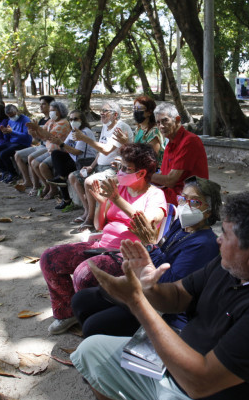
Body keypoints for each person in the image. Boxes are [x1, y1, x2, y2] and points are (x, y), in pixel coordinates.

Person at [71, 190, 249, 400]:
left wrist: (137, 302)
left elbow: (200, 383)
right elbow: (178, 296)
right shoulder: (232, 266)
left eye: (224, 233)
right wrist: (148, 284)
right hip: (173, 372)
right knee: (90, 351)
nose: (218, 239)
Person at [39, 144, 167, 335]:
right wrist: (102, 202)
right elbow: (100, 225)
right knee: (50, 258)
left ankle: (94, 323)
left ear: (141, 173)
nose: (120, 171)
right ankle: (66, 313)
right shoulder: (120, 189)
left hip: (127, 255)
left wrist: (115, 200)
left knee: (85, 274)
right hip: (101, 246)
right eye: (120, 166)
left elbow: (146, 221)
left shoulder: (155, 195)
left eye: (125, 168)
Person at [71, 176, 221, 337]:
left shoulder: (204, 244)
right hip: (148, 289)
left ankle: (105, 349)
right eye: (183, 199)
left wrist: (150, 246)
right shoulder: (182, 226)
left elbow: (169, 285)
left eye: (195, 202)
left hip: (166, 306)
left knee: (94, 326)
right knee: (81, 300)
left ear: (209, 211)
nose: (186, 205)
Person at [70, 101, 134, 231]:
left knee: (89, 181)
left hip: (115, 169)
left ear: (115, 114)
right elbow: (100, 151)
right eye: (101, 111)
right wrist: (91, 166)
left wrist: (85, 138)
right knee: (74, 177)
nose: (101, 113)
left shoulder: (120, 127)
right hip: (100, 167)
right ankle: (87, 211)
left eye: (105, 111)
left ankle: (90, 218)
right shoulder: (105, 126)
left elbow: (106, 150)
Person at [150, 102, 209, 204]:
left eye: (165, 121)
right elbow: (165, 176)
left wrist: (143, 175)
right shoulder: (170, 142)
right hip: (172, 193)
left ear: (177, 120)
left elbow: (170, 181)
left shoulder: (189, 141)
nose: (161, 126)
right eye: (158, 123)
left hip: (187, 199)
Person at [47, 110, 98, 210]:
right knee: (56, 155)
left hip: (86, 161)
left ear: (82, 120)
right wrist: (58, 143)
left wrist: (61, 144)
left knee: (61, 170)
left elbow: (77, 152)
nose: (72, 121)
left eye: (75, 119)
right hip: (74, 159)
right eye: (70, 119)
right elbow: (64, 147)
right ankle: (63, 187)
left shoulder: (84, 132)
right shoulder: (73, 131)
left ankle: (66, 198)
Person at [26, 100, 72, 199]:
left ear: (60, 112)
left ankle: (53, 189)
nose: (51, 112)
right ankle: (46, 185)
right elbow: (43, 135)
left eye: (53, 110)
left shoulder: (63, 123)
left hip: (60, 152)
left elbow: (50, 136)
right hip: (50, 150)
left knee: (42, 166)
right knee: (34, 163)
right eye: (50, 110)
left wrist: (38, 128)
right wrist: (34, 132)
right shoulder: (51, 121)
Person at [114, 95, 165, 167]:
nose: (136, 111)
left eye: (139, 109)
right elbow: (136, 153)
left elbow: (149, 158)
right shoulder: (138, 129)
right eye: (134, 108)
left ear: (149, 112)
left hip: (153, 171)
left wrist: (126, 144)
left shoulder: (154, 132)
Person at [15, 95, 52, 193]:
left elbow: (50, 139)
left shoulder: (52, 121)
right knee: (17, 154)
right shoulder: (41, 120)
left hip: (48, 146)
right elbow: (37, 140)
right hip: (41, 145)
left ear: (50, 106)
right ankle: (28, 181)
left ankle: (39, 186)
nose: (41, 106)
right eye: (40, 104)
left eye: (44, 104)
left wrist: (37, 133)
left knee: (31, 158)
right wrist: (33, 134)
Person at [0, 104, 32, 184]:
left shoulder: (25, 120)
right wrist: (5, 133)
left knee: (3, 154)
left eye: (13, 115)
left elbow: (27, 137)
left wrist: (12, 132)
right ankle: (4, 171)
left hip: (22, 143)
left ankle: (13, 174)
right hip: (12, 142)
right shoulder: (10, 120)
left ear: (17, 111)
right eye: (9, 116)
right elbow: (7, 138)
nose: (12, 117)